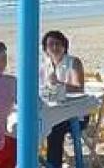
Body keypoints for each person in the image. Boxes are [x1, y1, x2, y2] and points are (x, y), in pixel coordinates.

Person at [41, 30, 86, 168]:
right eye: (50, 45)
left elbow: (79, 87)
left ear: (64, 46)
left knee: (54, 130)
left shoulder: (73, 62)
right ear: (46, 49)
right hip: (52, 110)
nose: (54, 47)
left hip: (74, 113)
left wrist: (59, 84)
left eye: (57, 44)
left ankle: (53, 165)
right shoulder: (45, 65)